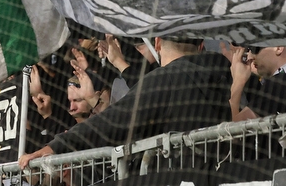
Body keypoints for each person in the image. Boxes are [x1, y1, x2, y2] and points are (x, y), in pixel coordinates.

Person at [19, 38, 236, 168]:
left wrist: (55, 147)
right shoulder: (220, 76)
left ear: (157, 43)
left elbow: (113, 122)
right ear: (200, 46)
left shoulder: (167, 79)